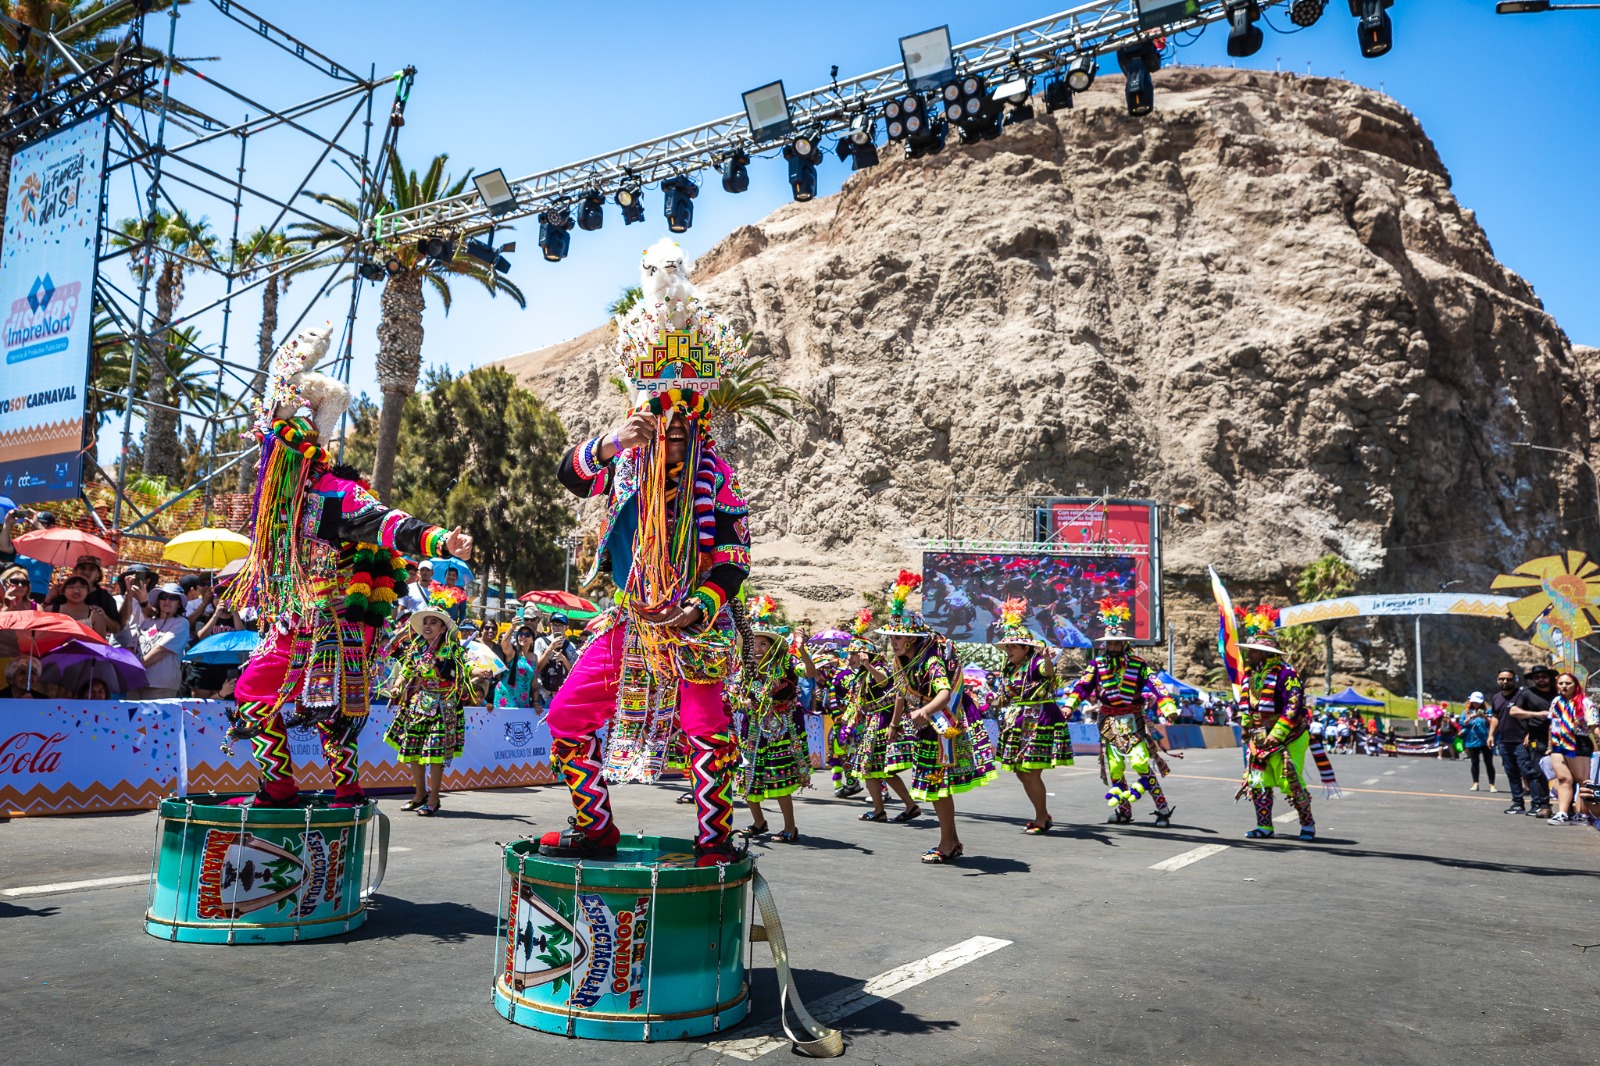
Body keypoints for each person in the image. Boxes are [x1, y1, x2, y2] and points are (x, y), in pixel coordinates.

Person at [536, 279, 752, 867]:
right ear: (644, 414)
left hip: (692, 627)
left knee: (707, 730)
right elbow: (569, 475)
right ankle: (596, 825)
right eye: (663, 410)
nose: (674, 422)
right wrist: (608, 444)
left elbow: (734, 558)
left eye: (686, 413)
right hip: (629, 619)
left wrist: (703, 605)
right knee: (566, 718)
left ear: (700, 418)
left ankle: (715, 841)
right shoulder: (626, 466)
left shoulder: (718, 476)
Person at [218, 324, 472, 809]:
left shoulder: (334, 493)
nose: (264, 462)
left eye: (274, 450)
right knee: (254, 691)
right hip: (295, 620)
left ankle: (345, 789)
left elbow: (383, 522)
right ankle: (280, 786)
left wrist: (437, 540)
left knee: (335, 709)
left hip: (341, 619)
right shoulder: (281, 504)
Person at [880, 571, 996, 865]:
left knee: (937, 785)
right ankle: (951, 841)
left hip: (942, 726)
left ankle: (948, 843)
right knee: (934, 786)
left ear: (912, 639)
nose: (894, 642)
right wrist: (894, 724)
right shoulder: (904, 662)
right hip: (928, 728)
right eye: (892, 637)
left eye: (899, 637)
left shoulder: (930, 660)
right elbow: (901, 693)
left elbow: (944, 693)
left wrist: (924, 710)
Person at [1061, 595, 1179, 828]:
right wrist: (1068, 705)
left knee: (1139, 762)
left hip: (1132, 719)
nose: (1113, 647)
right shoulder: (1096, 665)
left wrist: (1168, 706)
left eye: (1117, 643)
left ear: (1124, 644)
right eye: (1110, 643)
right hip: (1107, 720)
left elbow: (1157, 685)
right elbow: (1082, 686)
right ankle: (1123, 810)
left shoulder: (1138, 664)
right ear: (1105, 644)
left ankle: (1162, 808)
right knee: (1114, 766)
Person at [734, 596, 816, 843]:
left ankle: (790, 826)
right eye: (754, 645)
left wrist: (802, 651)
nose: (757, 649)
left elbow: (811, 673)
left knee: (780, 778)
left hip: (781, 730)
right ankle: (759, 822)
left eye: (762, 644)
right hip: (753, 730)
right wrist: (743, 702)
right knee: (747, 776)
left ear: (771, 647)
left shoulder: (787, 664)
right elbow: (735, 695)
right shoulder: (746, 669)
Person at [1234, 604, 1318, 841]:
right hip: (1260, 736)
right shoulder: (1250, 675)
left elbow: (1294, 705)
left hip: (1290, 736)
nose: (1249, 654)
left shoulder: (1287, 674)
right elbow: (1247, 705)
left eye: (1254, 651)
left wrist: (1279, 732)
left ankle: (1307, 823)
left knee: (1289, 779)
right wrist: (1246, 728)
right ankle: (1264, 827)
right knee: (1257, 780)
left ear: (1265, 653)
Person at [992, 597, 1073, 835]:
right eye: (1007, 647)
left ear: (1026, 649)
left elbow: (1047, 672)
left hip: (1039, 721)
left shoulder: (1036, 663)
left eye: (1013, 647)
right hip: (1017, 722)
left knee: (1031, 770)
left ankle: (1041, 817)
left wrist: (1047, 659)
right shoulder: (1010, 669)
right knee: (1020, 771)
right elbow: (1006, 696)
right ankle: (1042, 813)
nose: (1009, 651)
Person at [384, 608, 473, 816]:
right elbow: (406, 672)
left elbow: (460, 674)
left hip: (444, 705)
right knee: (412, 751)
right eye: (425, 622)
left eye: (433, 622)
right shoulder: (417, 648)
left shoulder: (452, 649)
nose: (427, 626)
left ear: (443, 628)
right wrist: (398, 686)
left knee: (434, 753)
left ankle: (434, 797)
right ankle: (419, 794)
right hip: (420, 704)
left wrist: (444, 667)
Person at [841, 610, 922, 825]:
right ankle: (884, 810)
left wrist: (868, 665)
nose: (850, 658)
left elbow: (885, 682)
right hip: (872, 723)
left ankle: (906, 806)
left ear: (864, 654)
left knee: (881, 770)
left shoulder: (878, 668)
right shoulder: (861, 675)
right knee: (872, 771)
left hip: (883, 722)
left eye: (853, 654)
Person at [1509, 665, 1556, 819]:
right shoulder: (1527, 693)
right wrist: (1536, 714)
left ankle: (1568, 807)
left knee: (1566, 774)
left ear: (1549, 677)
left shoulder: (1559, 692)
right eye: (1536, 677)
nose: (1540, 679)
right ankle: (1544, 805)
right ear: (1532, 680)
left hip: (1562, 737)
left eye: (1543, 676)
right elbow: (1513, 711)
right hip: (1537, 738)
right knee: (1539, 771)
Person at [1545, 672, 1592, 825]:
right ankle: (1562, 813)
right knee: (1564, 778)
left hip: (1579, 742)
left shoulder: (1585, 703)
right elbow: (1553, 724)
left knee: (1582, 780)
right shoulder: (1556, 701)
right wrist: (1550, 745)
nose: (1564, 686)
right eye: (1561, 683)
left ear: (1576, 685)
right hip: (1559, 742)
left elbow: (1594, 725)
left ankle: (1583, 814)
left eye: (1568, 683)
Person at [131, 583, 190, 699]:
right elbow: (132, 646)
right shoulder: (147, 622)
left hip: (161, 685)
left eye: (173, 598)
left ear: (179, 604)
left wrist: (135, 667)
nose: (167, 600)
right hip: (136, 682)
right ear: (158, 601)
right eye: (163, 597)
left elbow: (161, 650)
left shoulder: (181, 623)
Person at [494, 618, 543, 712]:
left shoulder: (534, 657)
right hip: (506, 696)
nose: (523, 637)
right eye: (520, 634)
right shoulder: (512, 652)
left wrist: (536, 702)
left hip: (523, 698)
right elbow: (503, 644)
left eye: (527, 635)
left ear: (532, 639)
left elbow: (534, 683)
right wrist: (512, 627)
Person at [44, 573, 114, 637]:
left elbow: (101, 644)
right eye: (71, 587)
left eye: (82, 587)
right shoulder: (51, 611)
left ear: (87, 592)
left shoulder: (95, 615)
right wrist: (48, 598)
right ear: (63, 591)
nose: (76, 591)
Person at [1459, 692, 1497, 792]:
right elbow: (1462, 724)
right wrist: (1470, 717)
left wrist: (1484, 716)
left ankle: (1492, 784)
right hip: (1471, 740)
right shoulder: (1466, 712)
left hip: (1485, 739)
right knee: (1474, 762)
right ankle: (1475, 783)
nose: (1476, 704)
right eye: (1474, 702)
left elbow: (1492, 722)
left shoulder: (1488, 711)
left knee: (1488, 762)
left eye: (1478, 702)